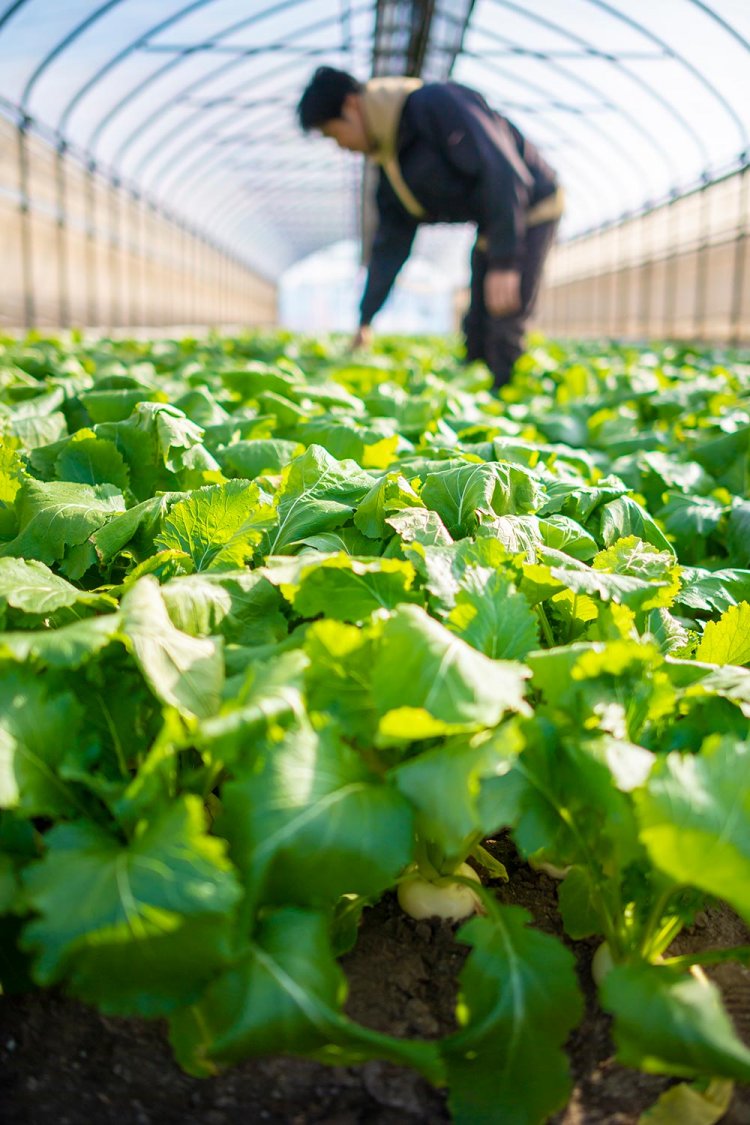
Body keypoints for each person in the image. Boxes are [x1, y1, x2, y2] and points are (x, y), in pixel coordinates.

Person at [296, 66, 563, 389]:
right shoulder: (392, 168)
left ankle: (510, 402)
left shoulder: (435, 104)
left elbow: (502, 170)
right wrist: (365, 319)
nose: (341, 145)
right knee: (476, 328)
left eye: (334, 133)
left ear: (351, 105)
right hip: (494, 223)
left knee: (503, 317)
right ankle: (483, 412)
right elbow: (389, 247)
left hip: (527, 209)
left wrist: (505, 260)